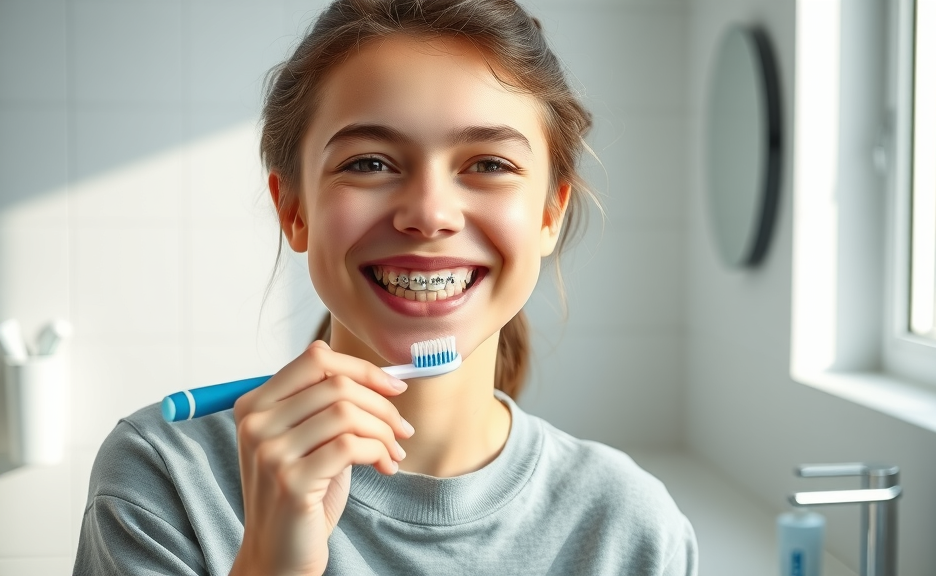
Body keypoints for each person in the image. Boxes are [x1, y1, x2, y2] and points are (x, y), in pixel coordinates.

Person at [72, 1, 698, 574]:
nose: (429, 213)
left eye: (489, 164)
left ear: (548, 215)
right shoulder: (164, 481)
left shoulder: (632, 528)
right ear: (293, 209)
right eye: (369, 163)